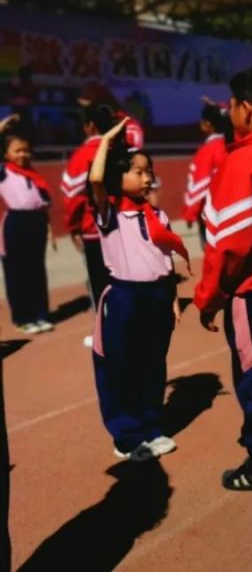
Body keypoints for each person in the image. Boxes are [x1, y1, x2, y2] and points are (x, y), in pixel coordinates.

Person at [193, 66, 252, 491]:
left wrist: (208, 298)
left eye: (232, 105)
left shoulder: (242, 161)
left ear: (246, 109)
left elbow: (229, 246)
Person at [88, 118, 187, 461]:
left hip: (157, 296)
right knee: (121, 366)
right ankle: (127, 436)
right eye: (138, 172)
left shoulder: (157, 215)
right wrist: (106, 141)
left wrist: (173, 297)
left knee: (152, 364)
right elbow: (96, 179)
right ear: (119, 177)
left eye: (149, 172)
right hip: (124, 297)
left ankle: (151, 426)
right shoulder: (110, 214)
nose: (147, 178)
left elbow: (165, 258)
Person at [0, 118, 56, 334]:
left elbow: (43, 204)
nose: (23, 154)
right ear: (6, 154)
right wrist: (2, 127)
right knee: (17, 273)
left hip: (36, 222)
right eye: (17, 150)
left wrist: (49, 229)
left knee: (36, 271)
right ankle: (23, 318)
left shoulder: (34, 175)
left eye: (26, 150)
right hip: (16, 223)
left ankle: (41, 314)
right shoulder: (4, 172)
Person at [62, 104, 118, 316]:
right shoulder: (122, 150)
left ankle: (105, 329)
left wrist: (73, 227)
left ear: (90, 126)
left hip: (95, 229)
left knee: (101, 284)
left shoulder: (82, 156)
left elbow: (72, 196)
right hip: (125, 225)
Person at [182, 103, 229, 243]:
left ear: (208, 124)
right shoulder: (232, 146)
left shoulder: (207, 151)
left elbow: (200, 183)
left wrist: (190, 212)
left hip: (211, 214)